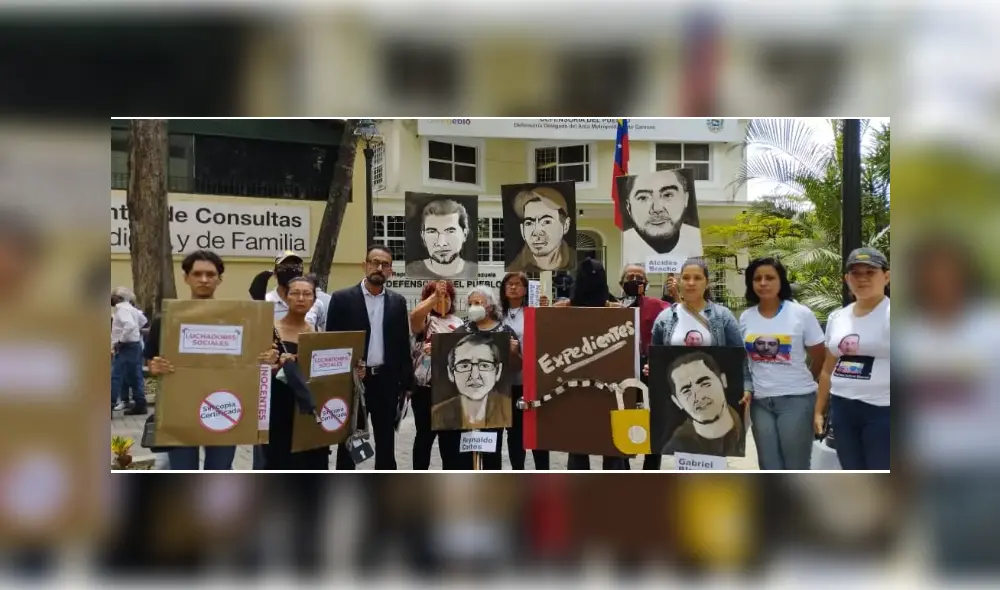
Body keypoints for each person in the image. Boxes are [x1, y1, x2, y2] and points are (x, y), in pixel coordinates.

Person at [145, 250, 279, 470]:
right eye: (197, 274)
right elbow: (151, 363)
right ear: (186, 277)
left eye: (210, 274)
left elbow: (254, 360)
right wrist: (155, 366)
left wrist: (267, 358)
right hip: (180, 412)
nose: (204, 280)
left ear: (219, 279)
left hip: (225, 409)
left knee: (220, 471)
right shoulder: (166, 319)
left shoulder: (238, 320)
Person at [648, 258, 750, 456]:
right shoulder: (665, 318)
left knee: (715, 462)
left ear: (707, 282)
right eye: (686, 277)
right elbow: (657, 355)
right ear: (678, 281)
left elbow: (740, 356)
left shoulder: (723, 317)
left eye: (697, 278)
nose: (691, 283)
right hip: (686, 410)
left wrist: (746, 387)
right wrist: (652, 369)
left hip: (718, 405)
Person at [329, 245, 412, 470]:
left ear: (390, 271)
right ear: (364, 265)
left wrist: (406, 383)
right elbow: (332, 343)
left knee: (386, 441)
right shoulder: (342, 298)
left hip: (385, 381)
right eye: (374, 262)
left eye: (385, 264)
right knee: (349, 442)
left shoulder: (398, 302)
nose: (379, 267)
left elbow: (403, 344)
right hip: (352, 382)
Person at [739, 257, 826, 470]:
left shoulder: (800, 314)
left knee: (795, 465)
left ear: (781, 281)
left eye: (770, 277)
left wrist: (802, 379)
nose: (763, 283)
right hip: (760, 403)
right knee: (769, 466)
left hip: (796, 401)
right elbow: (744, 360)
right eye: (757, 278)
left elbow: (820, 356)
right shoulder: (746, 317)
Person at [815, 247, 891, 470]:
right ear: (846, 279)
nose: (862, 278)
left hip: (882, 410)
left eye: (870, 272)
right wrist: (819, 410)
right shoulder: (837, 318)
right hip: (843, 408)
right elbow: (828, 369)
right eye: (856, 273)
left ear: (886, 276)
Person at [442, 286, 518, 470]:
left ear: (490, 306)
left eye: (478, 303)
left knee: (492, 458)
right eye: (470, 304)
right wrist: (434, 350)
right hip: (464, 410)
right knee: (464, 459)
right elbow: (445, 358)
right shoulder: (461, 330)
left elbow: (517, 368)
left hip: (494, 408)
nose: (473, 307)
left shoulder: (505, 331)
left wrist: (514, 353)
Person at [564, 258, 629, 470]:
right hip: (579, 387)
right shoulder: (563, 310)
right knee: (580, 445)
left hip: (607, 388)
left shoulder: (617, 311)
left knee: (607, 445)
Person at [263, 276, 334, 470]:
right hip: (277, 408)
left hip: (307, 411)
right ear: (286, 298)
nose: (301, 298)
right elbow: (255, 369)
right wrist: (272, 365)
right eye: (295, 293)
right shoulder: (270, 330)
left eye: (307, 294)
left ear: (314, 300)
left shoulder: (317, 334)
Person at [617, 264, 669, 470]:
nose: (636, 280)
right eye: (631, 276)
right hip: (622, 369)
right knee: (624, 416)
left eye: (640, 277)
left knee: (654, 420)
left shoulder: (658, 305)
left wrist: (675, 294)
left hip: (649, 367)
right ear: (622, 283)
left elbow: (681, 316)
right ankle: (623, 468)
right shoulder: (613, 305)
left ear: (646, 283)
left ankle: (651, 468)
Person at [408, 280, 464, 470]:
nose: (442, 300)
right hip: (425, 390)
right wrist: (435, 296)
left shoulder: (459, 323)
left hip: (452, 391)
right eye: (438, 297)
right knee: (424, 438)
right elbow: (415, 317)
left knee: (450, 443)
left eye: (446, 296)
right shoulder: (425, 320)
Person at [500, 272, 550, 470]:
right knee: (514, 432)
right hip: (507, 382)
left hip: (532, 380)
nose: (513, 288)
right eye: (509, 284)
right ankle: (517, 471)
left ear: (526, 289)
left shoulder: (533, 310)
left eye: (517, 284)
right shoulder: (496, 313)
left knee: (537, 430)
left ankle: (543, 473)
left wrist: (546, 312)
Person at [661, 351, 745, 456]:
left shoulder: (751, 430)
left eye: (705, 384)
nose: (698, 396)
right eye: (686, 391)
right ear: (677, 402)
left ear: (723, 381)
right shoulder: (674, 450)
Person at [620, 168, 703, 257]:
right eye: (643, 198)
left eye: (667, 195)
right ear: (629, 207)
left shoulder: (694, 239)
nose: (657, 209)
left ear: (686, 199)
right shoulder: (622, 244)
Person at [406, 198, 477, 280]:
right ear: (423, 237)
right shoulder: (409, 273)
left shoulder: (476, 272)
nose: (441, 243)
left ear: (464, 234)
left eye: (450, 231)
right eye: (432, 232)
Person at [508, 187, 573, 272]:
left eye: (546, 222)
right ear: (522, 230)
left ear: (566, 225)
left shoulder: (576, 262)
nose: (536, 231)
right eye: (529, 223)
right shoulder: (514, 270)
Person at [111, 286, 148, 415]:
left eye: (113, 295)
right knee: (135, 375)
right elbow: (143, 321)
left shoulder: (122, 310)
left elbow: (130, 325)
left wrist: (121, 340)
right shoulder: (132, 310)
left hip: (125, 346)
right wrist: (134, 333)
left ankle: (110, 404)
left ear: (119, 298)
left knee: (115, 376)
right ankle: (140, 404)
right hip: (134, 345)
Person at [266, 251, 325, 330]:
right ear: (275, 273)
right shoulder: (265, 302)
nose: (291, 270)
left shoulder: (316, 304)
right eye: (284, 267)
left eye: (296, 267)